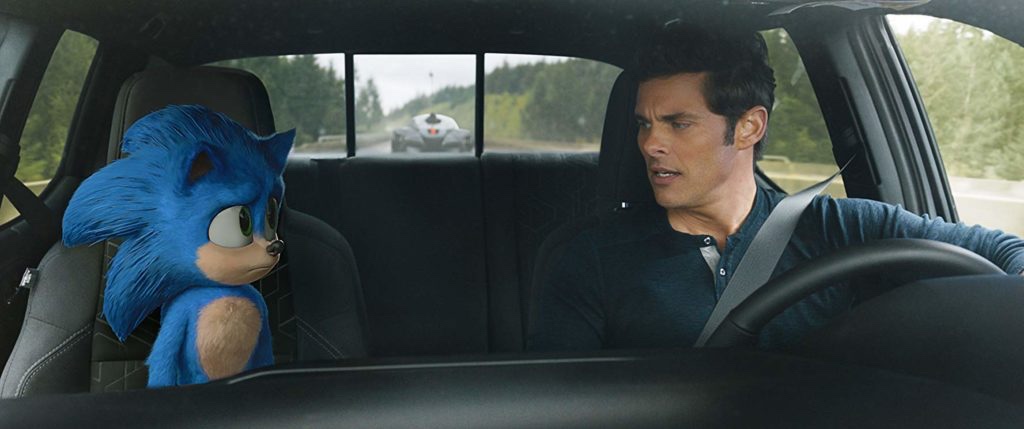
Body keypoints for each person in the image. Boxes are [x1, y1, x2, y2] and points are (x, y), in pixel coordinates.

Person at [527, 26, 1024, 351]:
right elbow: (562, 400)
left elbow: (1002, 253)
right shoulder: (594, 258)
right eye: (643, 124)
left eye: (678, 123)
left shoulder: (843, 227)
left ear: (748, 127)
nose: (650, 144)